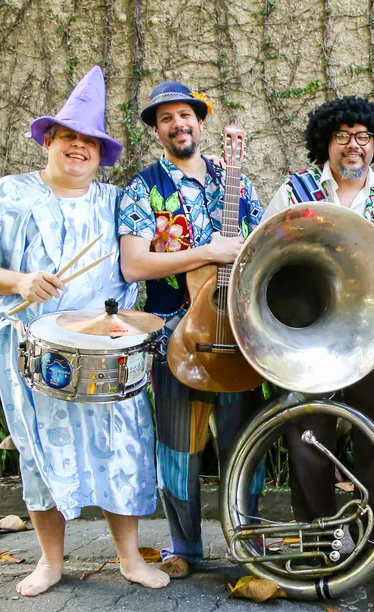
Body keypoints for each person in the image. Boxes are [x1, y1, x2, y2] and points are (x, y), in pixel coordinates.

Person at [0, 66, 167, 596]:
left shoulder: (115, 201)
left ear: (99, 155)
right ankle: (50, 561)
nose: (79, 148)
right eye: (69, 138)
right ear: (49, 141)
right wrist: (20, 279)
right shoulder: (9, 195)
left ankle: (128, 558)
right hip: (34, 345)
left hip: (107, 341)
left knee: (122, 443)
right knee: (40, 450)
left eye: (89, 143)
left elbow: (143, 254)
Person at [118, 81, 266, 579]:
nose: (178, 124)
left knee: (243, 443)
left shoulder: (238, 183)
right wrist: (209, 253)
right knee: (178, 450)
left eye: (186, 114)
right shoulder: (143, 188)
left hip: (238, 334)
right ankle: (185, 545)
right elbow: (135, 264)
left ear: (200, 122)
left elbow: (265, 250)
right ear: (157, 131)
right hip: (175, 337)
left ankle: (247, 542)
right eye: (166, 118)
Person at [263, 96, 374, 528]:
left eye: (363, 137)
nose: (354, 145)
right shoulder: (293, 192)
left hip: (369, 334)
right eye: (342, 136)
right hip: (305, 327)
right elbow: (261, 252)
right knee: (307, 434)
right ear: (325, 142)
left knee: (373, 434)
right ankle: (316, 536)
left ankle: (373, 534)